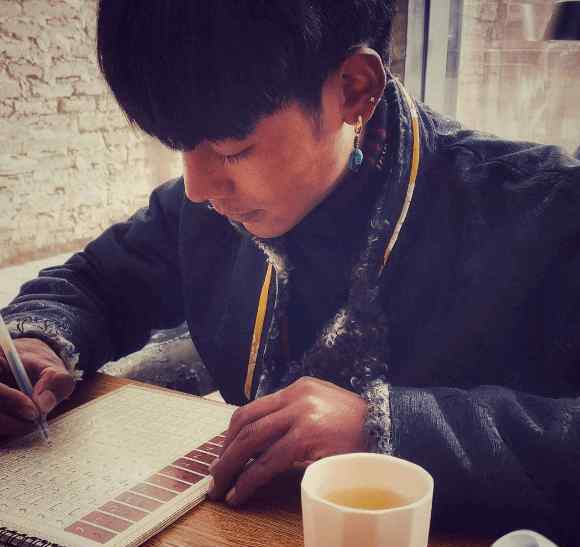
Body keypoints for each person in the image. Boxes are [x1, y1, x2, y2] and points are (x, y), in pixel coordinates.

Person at [1, 1, 579, 543]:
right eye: (179, 146)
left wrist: (387, 428)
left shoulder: (544, 209)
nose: (198, 187)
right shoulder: (202, 208)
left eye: (232, 149)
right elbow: (93, 282)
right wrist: (34, 344)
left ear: (353, 89)